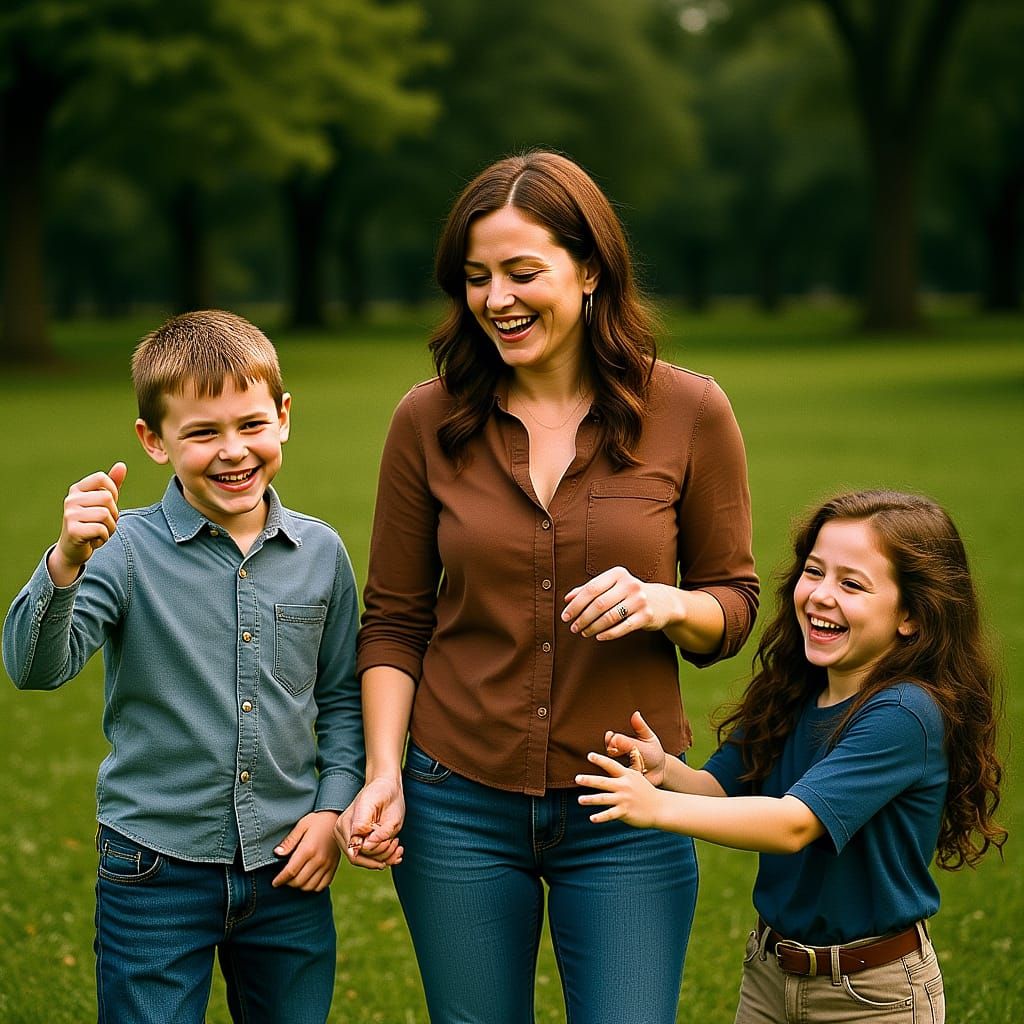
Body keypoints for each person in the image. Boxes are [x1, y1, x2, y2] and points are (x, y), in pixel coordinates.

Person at [336, 150, 759, 1023]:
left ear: (592, 269)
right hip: (456, 797)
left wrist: (668, 603)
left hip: (625, 801)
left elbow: (734, 602)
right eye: (477, 277)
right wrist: (384, 774)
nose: (497, 298)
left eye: (524, 272)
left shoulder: (690, 412)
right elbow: (394, 620)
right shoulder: (426, 418)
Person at [2, 310, 370, 1024]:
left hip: (289, 868)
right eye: (203, 432)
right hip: (153, 869)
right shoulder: (122, 551)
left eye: (251, 424)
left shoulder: (322, 556)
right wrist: (66, 562)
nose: (233, 451)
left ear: (284, 418)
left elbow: (343, 698)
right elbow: (33, 668)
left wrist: (332, 810)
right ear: (154, 440)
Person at [578, 489, 1007, 1024]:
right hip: (770, 974)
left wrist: (654, 808)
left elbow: (791, 824)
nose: (822, 595)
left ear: (913, 617)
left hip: (872, 995)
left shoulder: (905, 714)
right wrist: (666, 772)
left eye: (852, 584)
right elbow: (722, 790)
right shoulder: (794, 691)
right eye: (814, 572)